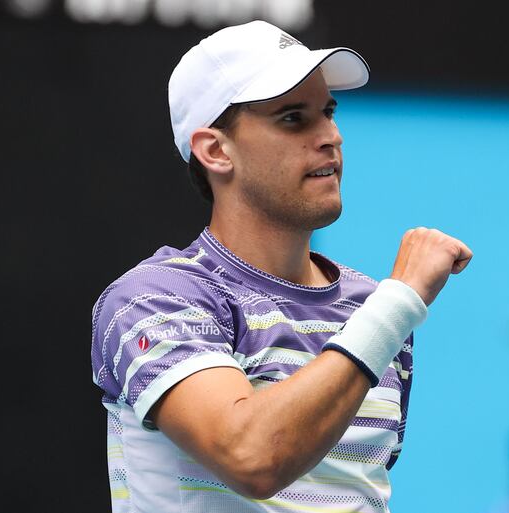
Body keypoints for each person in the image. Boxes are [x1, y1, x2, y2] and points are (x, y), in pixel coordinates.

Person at [91, 20, 472, 513]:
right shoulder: (151, 299)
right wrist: (398, 302)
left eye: (328, 112)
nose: (330, 136)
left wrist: (388, 307)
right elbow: (253, 457)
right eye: (294, 118)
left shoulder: (370, 304)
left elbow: (347, 493)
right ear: (214, 150)